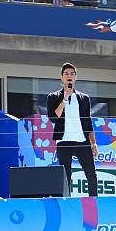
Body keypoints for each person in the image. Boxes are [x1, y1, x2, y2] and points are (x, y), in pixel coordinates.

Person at [46, 63, 98, 196]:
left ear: (75, 77)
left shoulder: (83, 98)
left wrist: (93, 143)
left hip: (82, 141)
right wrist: (64, 99)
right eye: (66, 74)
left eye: (72, 74)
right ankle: (65, 207)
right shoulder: (53, 97)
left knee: (91, 176)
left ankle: (94, 204)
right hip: (64, 142)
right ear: (62, 78)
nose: (69, 76)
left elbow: (88, 121)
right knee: (65, 178)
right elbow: (53, 118)